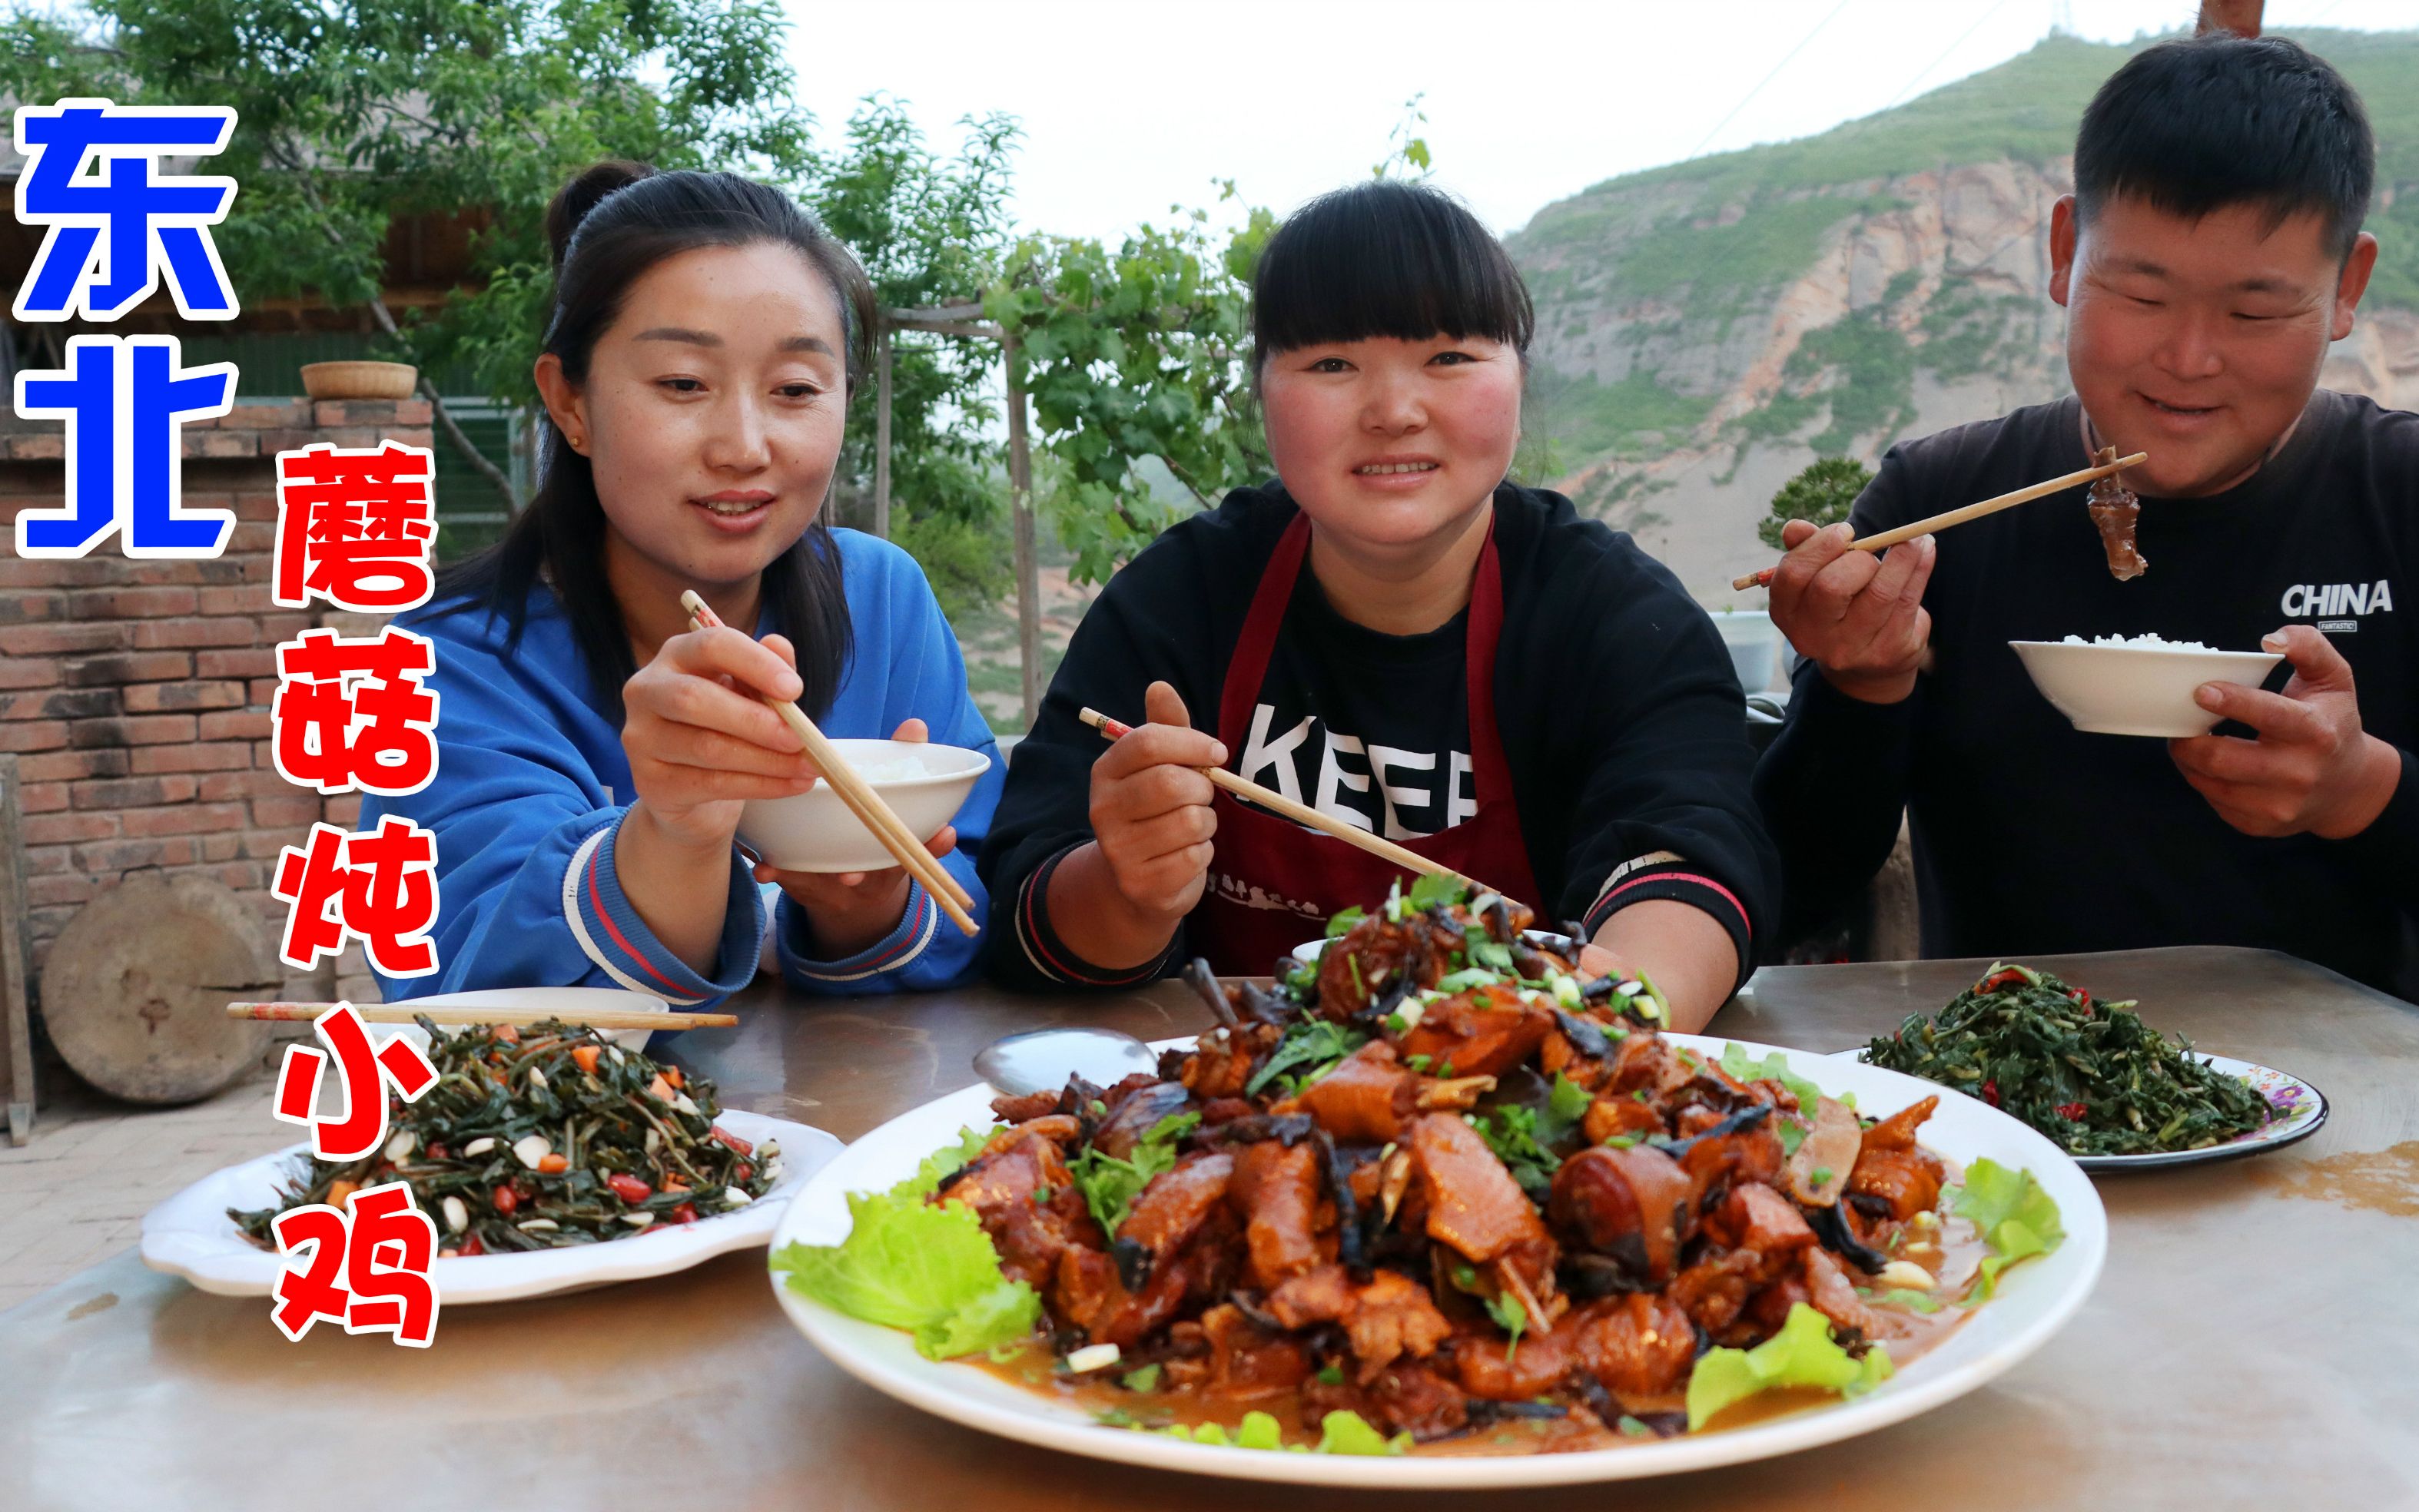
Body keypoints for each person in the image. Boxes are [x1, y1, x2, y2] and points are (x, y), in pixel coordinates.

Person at [979, 179, 1774, 1032]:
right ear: (1262, 393)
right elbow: (1028, 908)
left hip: (1525, 1090)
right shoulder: (1183, 600)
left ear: (1518, 378)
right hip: (1238, 1107)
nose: (1394, 412)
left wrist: (1606, 1029)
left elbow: (1691, 861)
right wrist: (1128, 886)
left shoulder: (1610, 614)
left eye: (1448, 358)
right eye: (1330, 364)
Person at [1755, 33, 2417, 999]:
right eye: (2141, 293)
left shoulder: (2398, 495)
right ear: (2065, 253)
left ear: (2346, 289)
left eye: (2254, 313)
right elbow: (1796, 887)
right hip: (2004, 1111)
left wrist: (2362, 790)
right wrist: (1859, 686)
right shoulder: (1935, 509)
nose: (2189, 358)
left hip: (2362, 1124)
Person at [364, 163, 999, 1007]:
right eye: (682, 385)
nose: (743, 446)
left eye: (795, 390)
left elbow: (980, 888)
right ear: (571, 403)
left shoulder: (880, 598)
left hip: (876, 1127)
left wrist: (873, 905)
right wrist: (671, 834)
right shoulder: (447, 658)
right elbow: (458, 976)